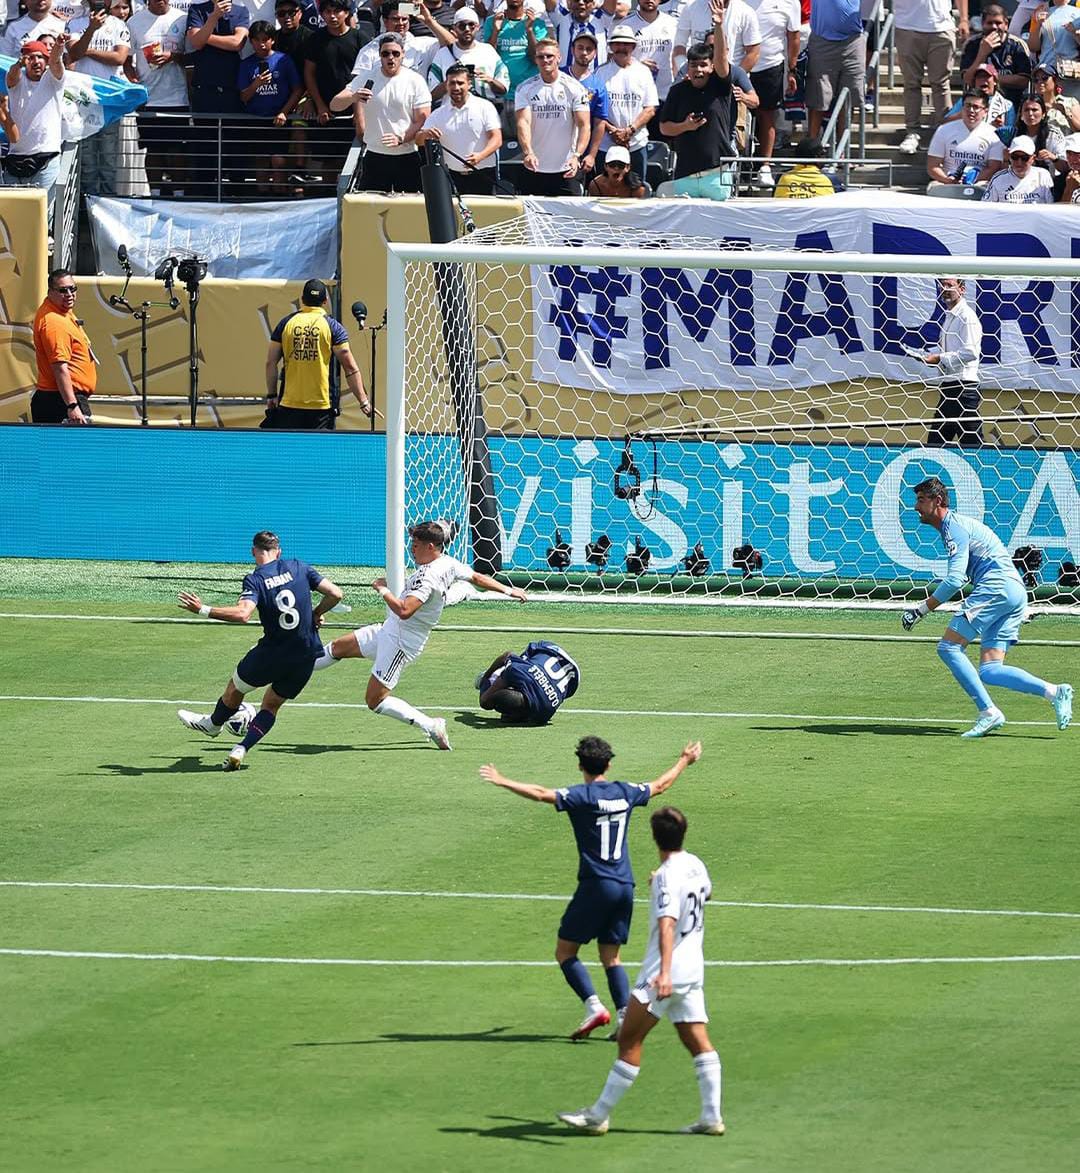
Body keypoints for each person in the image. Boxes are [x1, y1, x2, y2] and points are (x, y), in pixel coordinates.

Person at [480, 739, 703, 1041]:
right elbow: (661, 786)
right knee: (611, 956)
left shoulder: (580, 796)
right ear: (609, 765)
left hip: (596, 885)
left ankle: (594, 1006)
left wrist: (503, 780)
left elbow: (541, 794)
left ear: (580, 766)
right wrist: (684, 760)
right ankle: (625, 1016)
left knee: (565, 951)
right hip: (625, 885)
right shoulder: (626, 792)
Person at [557, 804, 723, 1136]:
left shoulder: (666, 876)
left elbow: (666, 924)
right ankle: (711, 1117)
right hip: (692, 973)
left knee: (629, 1039)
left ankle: (598, 1115)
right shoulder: (695, 865)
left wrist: (662, 973)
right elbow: (705, 893)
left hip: (665, 975)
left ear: (654, 837)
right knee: (697, 1040)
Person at [313, 519, 528, 751]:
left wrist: (383, 590)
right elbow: (477, 578)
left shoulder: (427, 579)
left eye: (416, 545)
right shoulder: (448, 563)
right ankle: (289, 669)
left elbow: (405, 611)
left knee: (374, 700)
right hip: (388, 630)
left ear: (431, 547)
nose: (411, 549)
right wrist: (508, 590)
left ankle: (431, 725)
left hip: (401, 643)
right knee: (337, 648)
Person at [901, 477, 1073, 739]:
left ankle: (988, 712)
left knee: (948, 648)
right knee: (991, 670)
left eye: (921, 500)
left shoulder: (953, 527)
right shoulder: (955, 527)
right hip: (1014, 591)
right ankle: (1054, 691)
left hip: (996, 588)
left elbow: (955, 579)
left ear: (938, 502)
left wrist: (921, 609)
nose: (915, 507)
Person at [177, 531, 345, 771]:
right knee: (271, 705)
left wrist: (203, 609)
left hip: (273, 653)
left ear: (253, 551)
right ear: (279, 551)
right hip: (307, 654)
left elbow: (243, 614)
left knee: (235, 688)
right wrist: (317, 612)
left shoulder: (255, 579)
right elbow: (336, 593)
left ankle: (213, 724)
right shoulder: (299, 566)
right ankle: (241, 748)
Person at [263, 278, 371, 429]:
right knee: (319, 452)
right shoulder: (333, 327)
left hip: (289, 405)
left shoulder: (285, 323)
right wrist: (363, 401)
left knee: (289, 452)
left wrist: (272, 395)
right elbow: (350, 368)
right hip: (321, 408)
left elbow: (271, 363)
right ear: (325, 301)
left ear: (302, 300)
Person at [332, 31, 431, 192]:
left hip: (406, 156)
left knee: (408, 209)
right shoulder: (367, 77)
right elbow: (334, 105)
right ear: (379, 55)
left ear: (403, 55)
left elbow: (423, 118)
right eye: (385, 53)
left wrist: (402, 138)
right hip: (374, 155)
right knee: (372, 210)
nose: (390, 57)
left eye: (395, 53)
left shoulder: (415, 80)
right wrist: (353, 97)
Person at [657, 3, 733, 200]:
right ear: (687, 67)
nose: (698, 70)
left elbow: (723, 61)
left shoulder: (720, 86)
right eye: (693, 65)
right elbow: (664, 128)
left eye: (703, 65)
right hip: (685, 175)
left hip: (716, 174)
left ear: (711, 67)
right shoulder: (677, 91)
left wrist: (719, 25)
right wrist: (685, 126)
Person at [67, 0, 131, 196]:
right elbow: (75, 53)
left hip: (109, 100)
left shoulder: (119, 25)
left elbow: (119, 58)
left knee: (109, 159)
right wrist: (91, 30)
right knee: (87, 159)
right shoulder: (75, 23)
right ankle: (86, 208)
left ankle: (106, 203)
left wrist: (88, 50)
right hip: (84, 99)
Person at [514, 36, 591, 194]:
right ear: (535, 59)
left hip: (567, 167)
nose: (545, 60)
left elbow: (584, 125)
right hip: (535, 166)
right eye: (541, 56)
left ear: (559, 58)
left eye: (550, 56)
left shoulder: (575, 88)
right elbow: (523, 123)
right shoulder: (525, 88)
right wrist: (528, 152)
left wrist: (577, 155)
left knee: (569, 217)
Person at [128, 0, 189, 198]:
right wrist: (134, 83)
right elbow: (127, 62)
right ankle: (153, 196)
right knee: (152, 149)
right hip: (149, 98)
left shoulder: (182, 18)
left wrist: (172, 56)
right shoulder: (134, 21)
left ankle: (178, 195)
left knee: (176, 150)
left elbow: (192, 57)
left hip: (178, 97)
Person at [913, 277, 982, 447]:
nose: (945, 289)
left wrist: (939, 358)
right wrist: (929, 355)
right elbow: (950, 350)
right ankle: (932, 472)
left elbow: (971, 352)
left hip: (964, 389)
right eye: (942, 285)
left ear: (962, 288)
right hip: (949, 388)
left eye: (949, 285)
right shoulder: (950, 317)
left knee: (973, 447)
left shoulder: (967, 317)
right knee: (936, 443)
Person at [415, 61, 502, 194]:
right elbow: (418, 141)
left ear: (469, 84)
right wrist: (425, 134)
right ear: (446, 85)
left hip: (483, 174)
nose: (456, 87)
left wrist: (480, 156)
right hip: (451, 176)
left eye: (460, 83)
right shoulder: (439, 113)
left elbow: (497, 139)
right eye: (452, 83)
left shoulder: (485, 107)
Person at [894, 0, 965, 157]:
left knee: (941, 84)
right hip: (907, 27)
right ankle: (912, 132)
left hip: (942, 27)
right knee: (912, 84)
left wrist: (964, 19)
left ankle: (946, 133)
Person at [586, 24, 656, 178]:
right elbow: (593, 109)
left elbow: (650, 108)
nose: (621, 48)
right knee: (604, 191)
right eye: (617, 44)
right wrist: (613, 131)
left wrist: (630, 130)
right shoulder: (600, 73)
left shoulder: (643, 72)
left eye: (626, 44)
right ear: (610, 46)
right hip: (606, 143)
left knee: (637, 190)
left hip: (636, 143)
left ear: (633, 46)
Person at [1, 37, 66, 205]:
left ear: (46, 60)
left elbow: (57, 62)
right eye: (31, 57)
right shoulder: (17, 79)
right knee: (13, 213)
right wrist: (19, 63)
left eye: (40, 57)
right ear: (24, 61)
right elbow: (12, 76)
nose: (36, 61)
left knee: (42, 216)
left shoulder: (53, 80)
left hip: (46, 158)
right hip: (15, 157)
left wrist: (58, 46)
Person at [31, 268, 97, 425]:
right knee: (77, 449)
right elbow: (60, 368)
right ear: (50, 292)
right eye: (62, 290)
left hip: (61, 399)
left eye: (72, 288)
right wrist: (72, 405)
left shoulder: (62, 312)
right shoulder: (54, 322)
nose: (69, 294)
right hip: (60, 401)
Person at [745, 0, 799, 189]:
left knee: (766, 115)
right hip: (739, 65)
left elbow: (794, 38)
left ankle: (764, 167)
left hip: (771, 66)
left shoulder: (790, 3)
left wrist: (792, 71)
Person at [474, 639, 581, 723]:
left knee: (507, 671)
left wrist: (486, 678)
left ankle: (496, 675)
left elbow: (484, 702)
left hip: (571, 677)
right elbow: (506, 656)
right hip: (550, 653)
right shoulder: (516, 672)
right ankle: (500, 676)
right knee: (515, 667)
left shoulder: (543, 716)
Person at [805, 0, 863, 141]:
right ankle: (812, 151)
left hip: (853, 42)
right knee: (819, 99)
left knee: (848, 99)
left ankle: (842, 151)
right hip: (821, 42)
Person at [428, 7, 510, 106]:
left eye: (471, 25)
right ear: (454, 28)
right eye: (462, 26)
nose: (467, 29)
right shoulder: (443, 54)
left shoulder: (488, 51)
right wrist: (452, 81)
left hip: (485, 112)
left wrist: (490, 81)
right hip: (452, 113)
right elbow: (431, 95)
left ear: (478, 27)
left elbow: (504, 89)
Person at [925, 90, 1005, 188]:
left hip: (979, 182)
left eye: (976, 107)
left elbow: (993, 168)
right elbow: (932, 166)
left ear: (985, 111)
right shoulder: (944, 130)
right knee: (934, 187)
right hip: (947, 181)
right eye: (967, 105)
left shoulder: (994, 134)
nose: (971, 110)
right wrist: (948, 180)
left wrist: (971, 180)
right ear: (962, 108)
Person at [958, 4, 1032, 109]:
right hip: (977, 105)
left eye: (998, 23)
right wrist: (982, 53)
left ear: (1006, 24)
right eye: (989, 23)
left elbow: (1024, 80)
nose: (994, 27)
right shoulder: (972, 44)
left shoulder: (1017, 45)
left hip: (1012, 104)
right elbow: (967, 79)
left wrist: (992, 80)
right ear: (982, 24)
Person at [1029, 0, 1080, 101]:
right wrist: (1038, 24)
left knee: (1071, 111)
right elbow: (1033, 47)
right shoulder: (1040, 11)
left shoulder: (1078, 12)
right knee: (1048, 110)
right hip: (1046, 73)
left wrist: (1075, 33)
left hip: (1070, 73)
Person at [982, 132, 1055, 201]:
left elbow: (1050, 206)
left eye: (1024, 158)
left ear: (1033, 158)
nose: (1019, 162)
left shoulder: (1043, 175)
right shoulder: (998, 179)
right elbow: (986, 207)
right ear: (1010, 157)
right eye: (1015, 157)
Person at [1013, 91, 1066, 176]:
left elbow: (1065, 167)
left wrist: (1053, 158)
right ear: (1021, 115)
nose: (1030, 114)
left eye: (1034, 110)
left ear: (1043, 114)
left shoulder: (1054, 135)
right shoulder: (1013, 134)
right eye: (1026, 110)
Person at [773, 133, 837, 196]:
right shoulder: (830, 179)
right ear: (817, 157)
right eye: (823, 154)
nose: (825, 157)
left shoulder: (782, 177)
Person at [1032, 62, 1080, 135]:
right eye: (1036, 80)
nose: (1040, 82)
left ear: (1056, 80)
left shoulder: (1070, 101)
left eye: (1044, 78)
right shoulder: (1032, 105)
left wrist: (1066, 115)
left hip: (1067, 143)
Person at [1059, 130, 1080, 200]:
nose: (1073, 159)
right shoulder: (1062, 179)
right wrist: (1069, 189)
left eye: (1078, 154)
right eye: (1069, 153)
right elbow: (1059, 210)